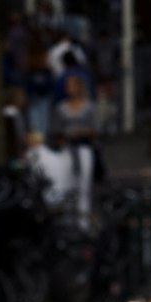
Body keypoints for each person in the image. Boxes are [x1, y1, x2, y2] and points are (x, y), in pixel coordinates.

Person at [55, 74, 100, 226]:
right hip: (67, 150)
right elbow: (57, 131)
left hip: (84, 148)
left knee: (84, 186)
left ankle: (83, 222)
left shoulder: (89, 107)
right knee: (67, 184)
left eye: (72, 85)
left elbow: (96, 129)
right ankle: (67, 219)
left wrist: (81, 132)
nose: (69, 89)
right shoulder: (61, 108)